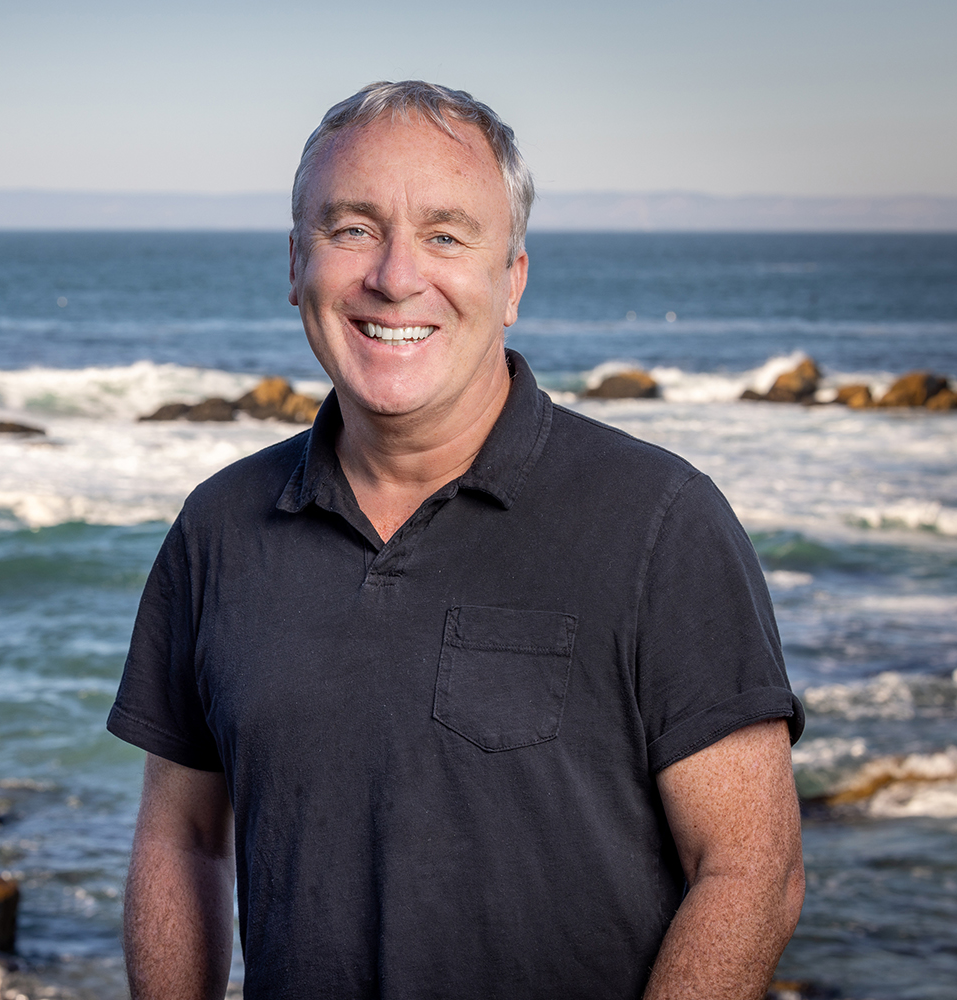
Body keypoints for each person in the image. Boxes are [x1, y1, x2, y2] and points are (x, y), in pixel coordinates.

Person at [107, 80, 805, 1000]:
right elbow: (182, 838)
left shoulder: (660, 521)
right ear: (295, 264)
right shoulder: (219, 526)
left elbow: (753, 870)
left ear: (510, 279)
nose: (396, 277)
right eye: (352, 228)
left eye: (445, 234)